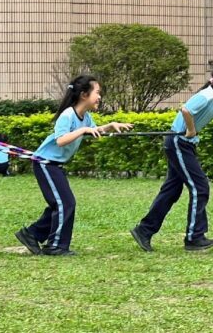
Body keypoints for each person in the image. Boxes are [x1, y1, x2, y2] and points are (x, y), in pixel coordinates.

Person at [130, 61, 213, 252]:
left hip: (185, 144)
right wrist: (191, 129)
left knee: (171, 191)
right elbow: (186, 109)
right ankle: (194, 237)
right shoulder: (206, 96)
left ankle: (144, 230)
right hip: (178, 142)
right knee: (200, 187)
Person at [15, 75, 132, 256]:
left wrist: (110, 125)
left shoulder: (85, 117)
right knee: (65, 203)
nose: (100, 97)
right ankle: (55, 246)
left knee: (62, 203)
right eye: (97, 92)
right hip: (45, 163)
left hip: (55, 165)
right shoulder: (68, 115)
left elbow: (94, 130)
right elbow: (60, 140)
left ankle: (31, 234)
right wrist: (83, 130)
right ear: (84, 95)